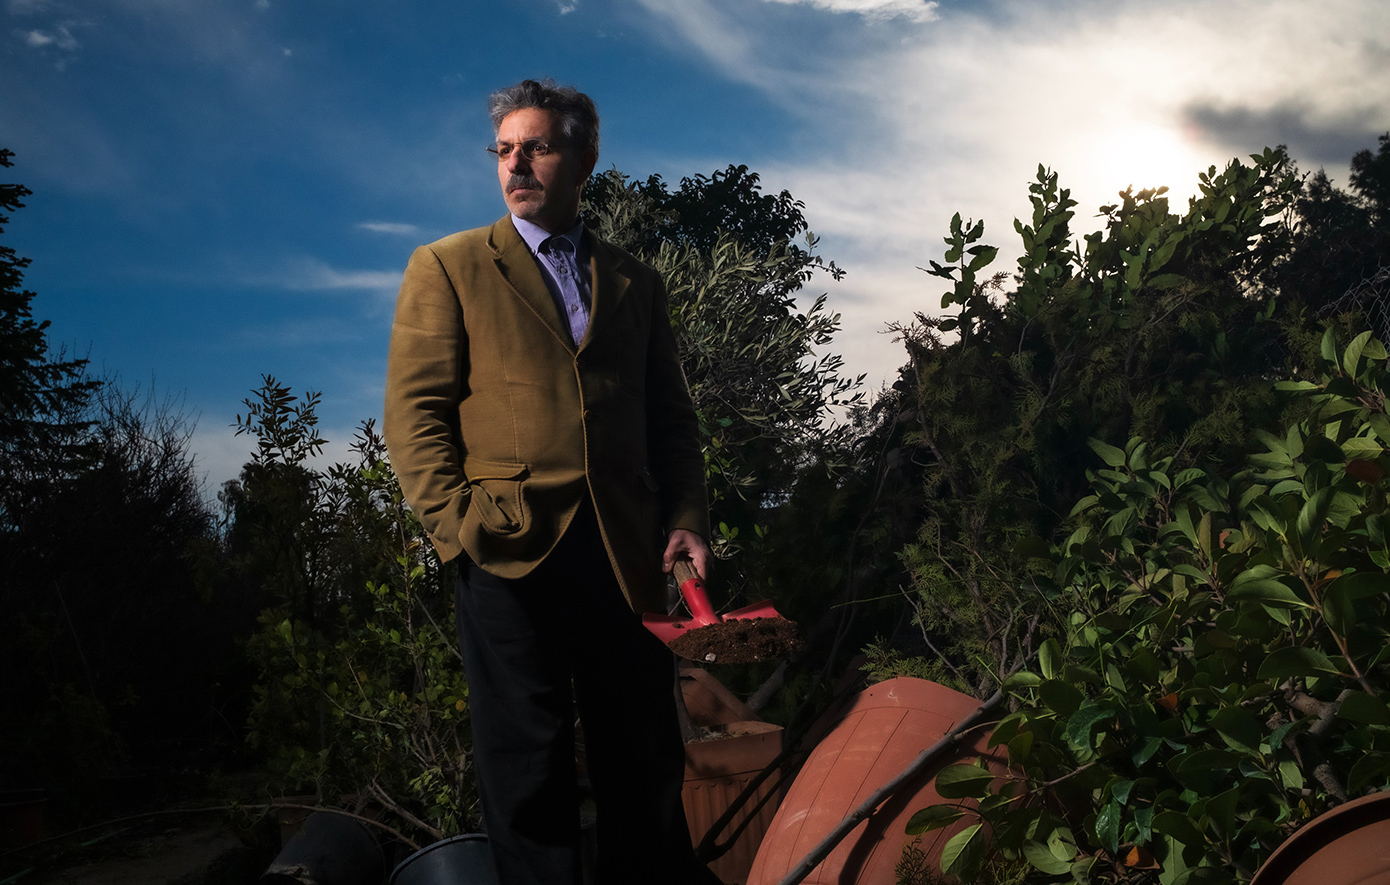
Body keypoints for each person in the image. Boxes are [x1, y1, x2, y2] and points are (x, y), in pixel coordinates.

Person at [383, 78, 722, 885]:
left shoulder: (637, 281)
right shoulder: (449, 266)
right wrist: (460, 530)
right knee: (526, 773)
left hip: (626, 554)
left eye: (535, 147)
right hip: (506, 551)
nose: (515, 165)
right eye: (504, 150)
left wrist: (686, 516)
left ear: (583, 158)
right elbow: (414, 415)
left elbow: (672, 421)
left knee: (642, 759)